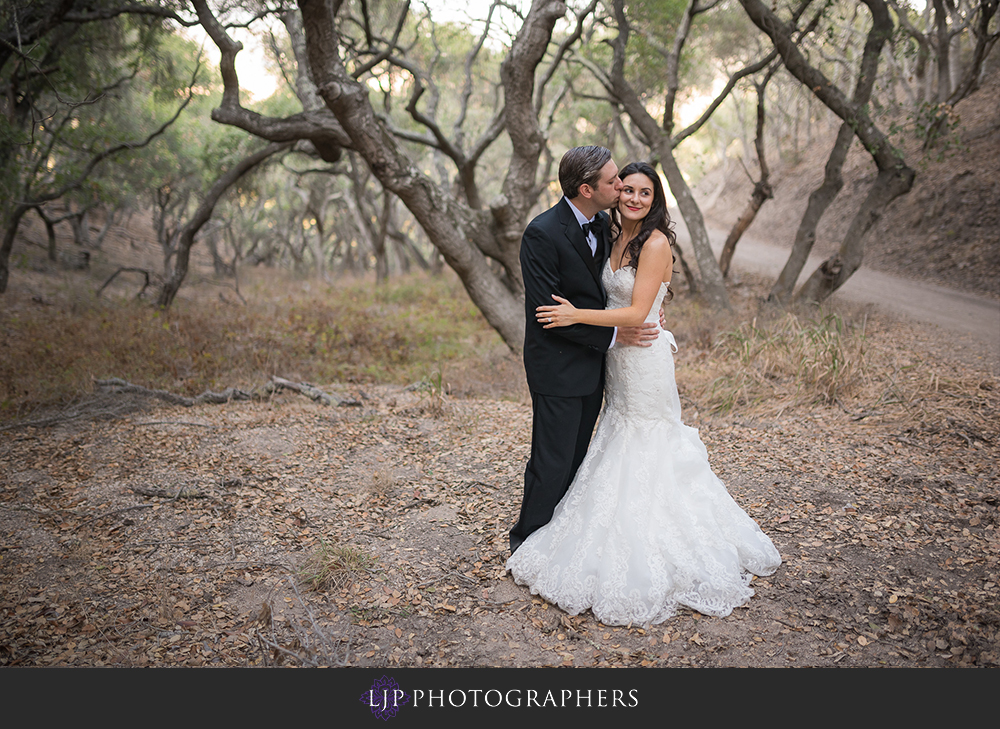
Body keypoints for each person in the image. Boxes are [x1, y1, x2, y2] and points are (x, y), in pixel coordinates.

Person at [506, 161, 781, 625]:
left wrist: (578, 316)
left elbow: (635, 313)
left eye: (643, 192)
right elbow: (615, 299)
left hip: (642, 359)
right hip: (612, 362)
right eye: (624, 187)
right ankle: (545, 532)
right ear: (598, 191)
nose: (630, 196)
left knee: (648, 443)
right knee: (604, 444)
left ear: (657, 201)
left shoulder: (653, 244)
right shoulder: (610, 234)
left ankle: (658, 542)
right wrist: (616, 325)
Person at [510, 146, 660, 557]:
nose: (621, 186)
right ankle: (527, 540)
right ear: (586, 189)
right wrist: (614, 338)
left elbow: (628, 286)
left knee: (580, 457)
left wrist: (650, 311)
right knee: (552, 460)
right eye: (614, 182)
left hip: (598, 367)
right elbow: (550, 315)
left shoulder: (606, 225)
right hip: (557, 367)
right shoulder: (542, 233)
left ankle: (563, 535)